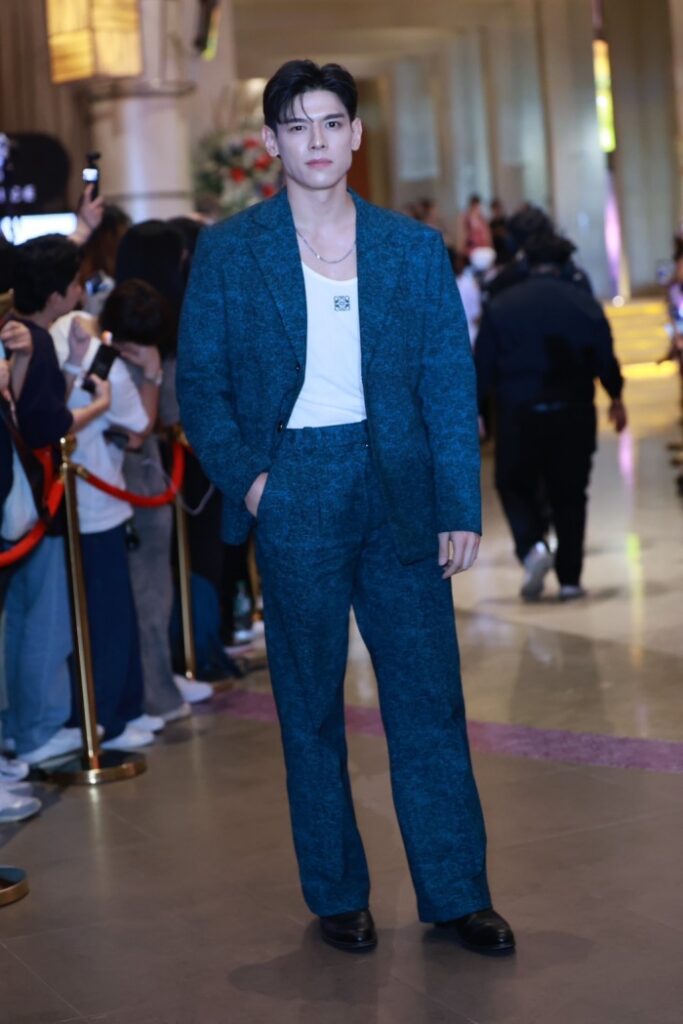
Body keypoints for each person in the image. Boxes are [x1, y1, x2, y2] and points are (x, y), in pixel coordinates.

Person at [178, 59, 514, 956]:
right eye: (297, 126)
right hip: (296, 483)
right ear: (271, 142)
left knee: (428, 700)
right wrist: (257, 483)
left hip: (399, 485)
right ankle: (336, 893)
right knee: (310, 706)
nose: (317, 141)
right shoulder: (232, 251)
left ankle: (457, 894)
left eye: (331, 122)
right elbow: (200, 387)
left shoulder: (409, 248)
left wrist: (458, 503)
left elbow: (448, 385)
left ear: (356, 135)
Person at [1, 235, 111, 765]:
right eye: (74, 282)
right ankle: (40, 727)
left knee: (24, 614)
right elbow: (49, 424)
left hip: (24, 494)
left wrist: (70, 369)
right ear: (55, 295)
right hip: (39, 494)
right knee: (45, 617)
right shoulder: (36, 339)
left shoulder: (18, 331)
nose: (80, 290)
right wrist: (99, 406)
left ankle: (21, 726)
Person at [475, 230, 627, 601]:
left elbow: (482, 365)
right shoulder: (584, 304)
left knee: (513, 484)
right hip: (574, 411)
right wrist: (616, 396)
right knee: (570, 494)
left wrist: (476, 411)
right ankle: (570, 580)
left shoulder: (502, 305)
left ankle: (532, 547)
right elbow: (604, 356)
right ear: (564, 264)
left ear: (527, 263)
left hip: (518, 412)